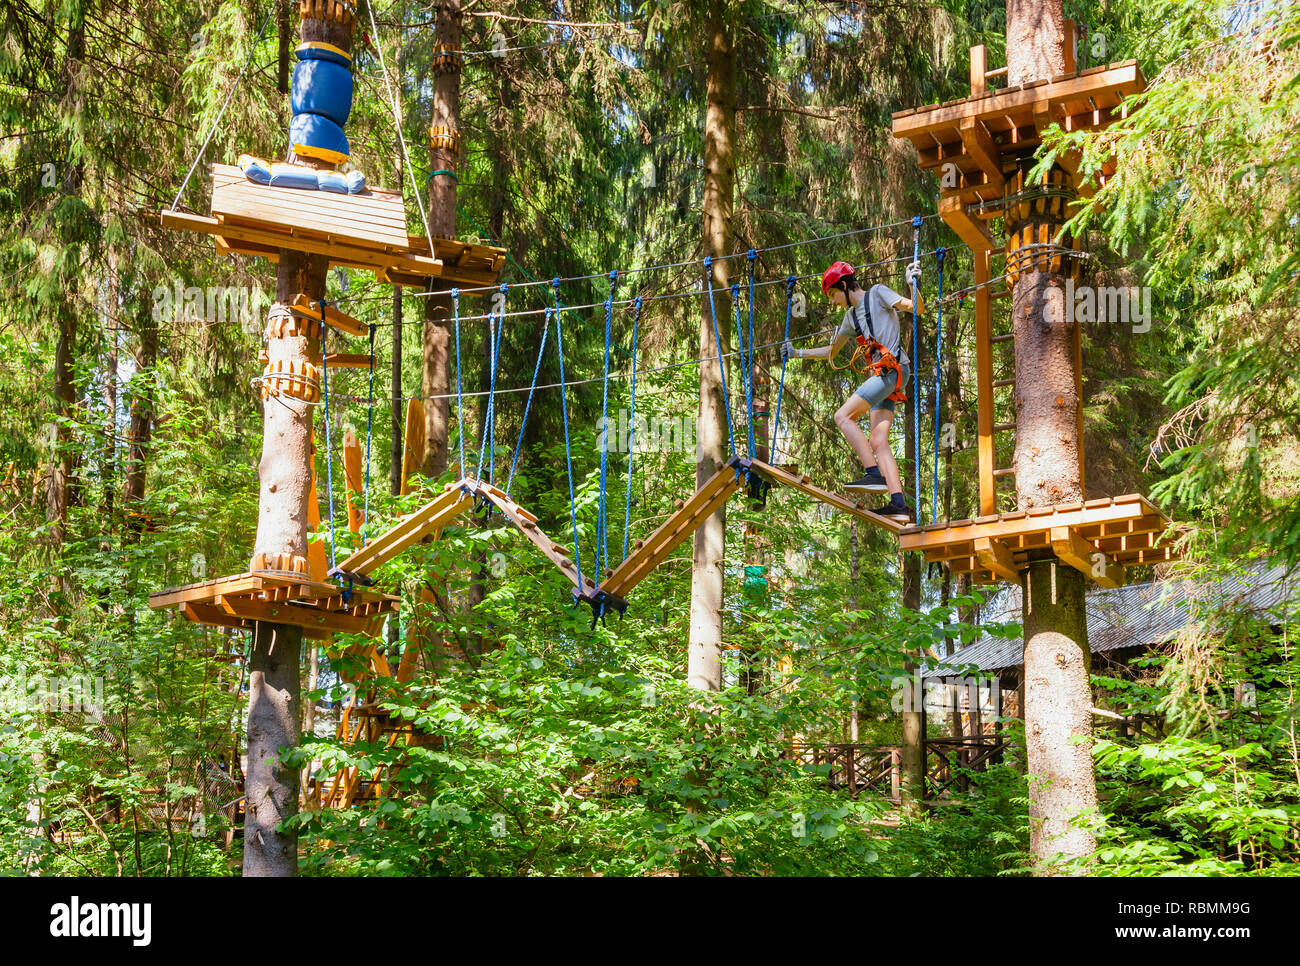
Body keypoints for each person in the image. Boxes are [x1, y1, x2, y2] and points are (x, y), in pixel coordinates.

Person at [782, 260, 923, 522]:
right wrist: (796, 353)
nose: (833, 301)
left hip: (890, 371)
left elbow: (915, 307)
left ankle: (873, 473)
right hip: (885, 378)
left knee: (842, 417)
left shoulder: (879, 293)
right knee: (878, 441)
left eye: (833, 294)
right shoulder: (850, 318)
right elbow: (831, 352)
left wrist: (912, 283)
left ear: (844, 286)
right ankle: (899, 505)